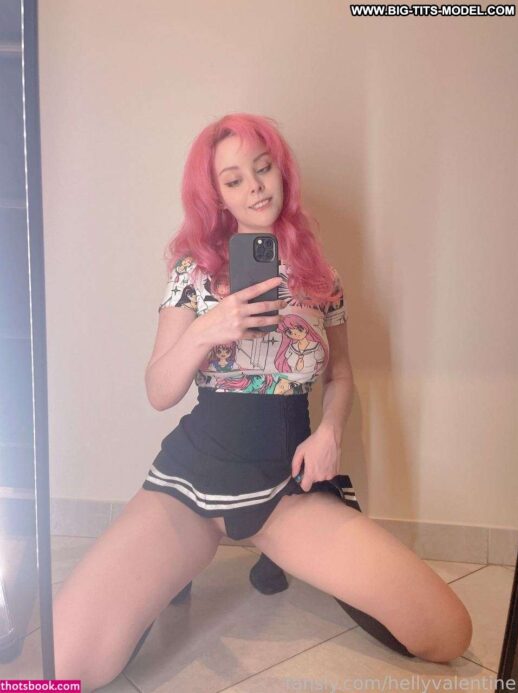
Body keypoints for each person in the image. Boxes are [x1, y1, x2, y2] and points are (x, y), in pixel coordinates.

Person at [52, 113, 472, 692]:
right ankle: (165, 578)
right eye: (233, 179)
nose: (254, 187)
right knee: (63, 672)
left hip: (285, 484)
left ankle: (275, 552)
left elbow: (341, 374)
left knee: (448, 634)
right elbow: (159, 391)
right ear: (217, 196)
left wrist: (329, 433)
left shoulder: (322, 276)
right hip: (192, 480)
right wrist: (206, 330)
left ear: (282, 172)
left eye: (263, 168)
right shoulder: (192, 273)